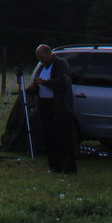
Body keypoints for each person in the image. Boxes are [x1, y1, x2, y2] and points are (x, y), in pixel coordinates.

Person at [28, 43, 78, 174]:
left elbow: (62, 83)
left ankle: (68, 167)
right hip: (45, 105)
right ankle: (54, 166)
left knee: (63, 137)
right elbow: (38, 83)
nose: (41, 60)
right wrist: (34, 88)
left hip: (59, 106)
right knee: (49, 136)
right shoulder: (41, 67)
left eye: (42, 57)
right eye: (38, 58)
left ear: (49, 54)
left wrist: (44, 82)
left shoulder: (60, 64)